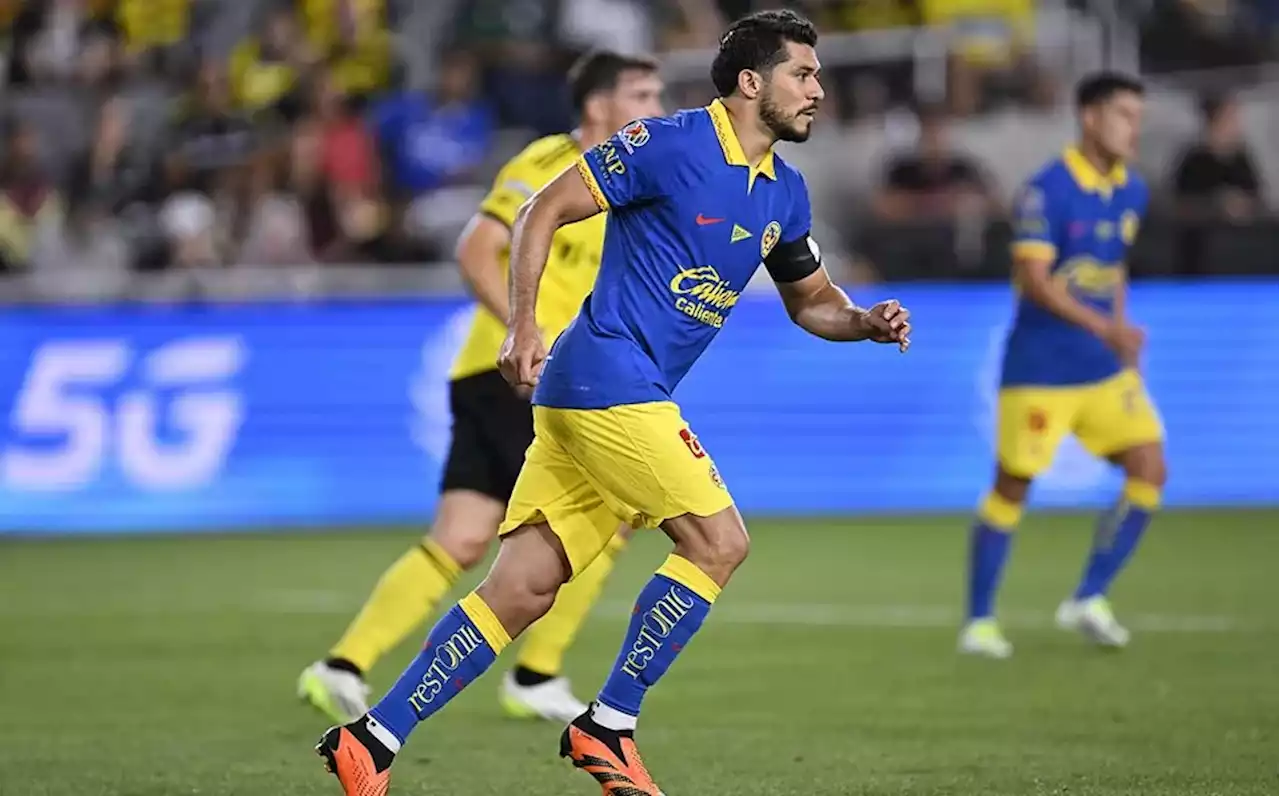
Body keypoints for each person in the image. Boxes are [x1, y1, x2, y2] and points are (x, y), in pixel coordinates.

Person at [315, 10, 911, 796]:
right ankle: (610, 725)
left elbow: (811, 303)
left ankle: (372, 738)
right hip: (606, 379)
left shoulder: (785, 195)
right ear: (750, 82)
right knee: (719, 543)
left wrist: (861, 322)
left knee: (521, 588)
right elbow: (541, 211)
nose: (818, 90)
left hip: (597, 398)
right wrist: (523, 322)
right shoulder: (666, 145)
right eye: (803, 74)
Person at [297, 49, 665, 724]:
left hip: (495, 371)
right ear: (597, 107)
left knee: (463, 536)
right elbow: (475, 249)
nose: (656, 109)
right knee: (615, 514)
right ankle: (535, 673)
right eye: (641, 94)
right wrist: (531, 331)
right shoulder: (548, 162)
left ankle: (341, 665)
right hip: (522, 373)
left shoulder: (630, 181)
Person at [959, 72, 1166, 660]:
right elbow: (1035, 282)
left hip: (1102, 371)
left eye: (1138, 116)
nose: (1134, 127)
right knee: (1012, 486)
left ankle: (1089, 596)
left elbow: (1114, 268)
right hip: (1040, 369)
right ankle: (978, 620)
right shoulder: (1046, 191)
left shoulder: (1131, 191)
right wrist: (1107, 327)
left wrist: (1122, 342)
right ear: (1090, 117)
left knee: (1150, 468)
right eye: (1124, 114)